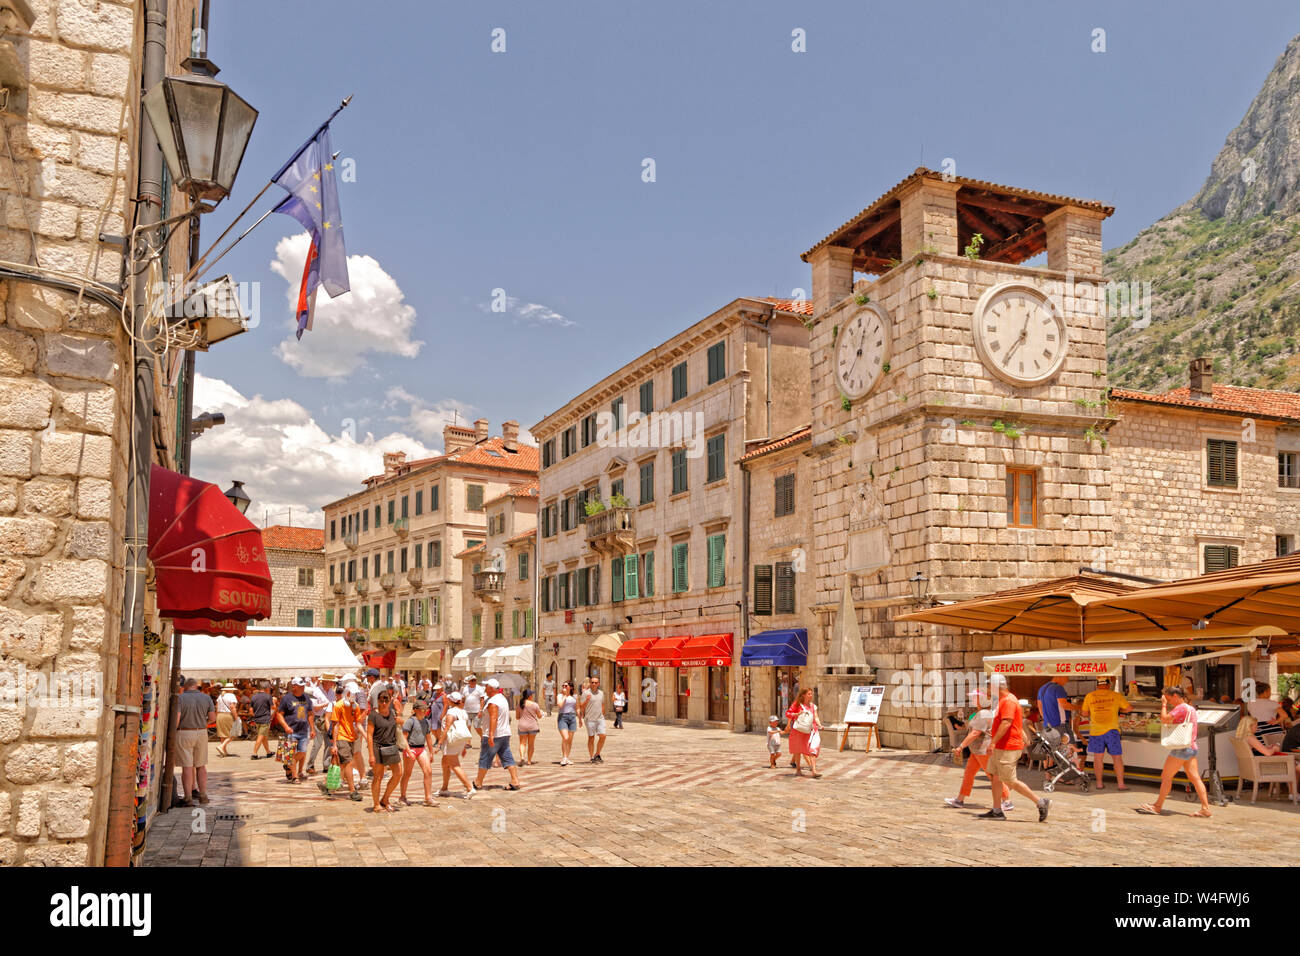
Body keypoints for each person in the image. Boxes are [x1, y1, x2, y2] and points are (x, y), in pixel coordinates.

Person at [981, 677, 1051, 822]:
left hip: (1007, 746)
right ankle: (996, 810)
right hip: (1002, 746)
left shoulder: (1008, 701)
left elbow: (1007, 723)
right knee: (995, 777)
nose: (987, 690)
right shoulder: (1004, 700)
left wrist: (992, 742)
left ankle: (1040, 802)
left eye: (988, 687)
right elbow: (1013, 723)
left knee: (1010, 780)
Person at [1137, 686, 1212, 817]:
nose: (1168, 700)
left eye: (1169, 698)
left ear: (1176, 696)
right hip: (1191, 746)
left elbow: (1165, 719)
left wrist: (1164, 705)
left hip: (1181, 749)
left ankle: (1157, 806)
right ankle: (1205, 808)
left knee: (1166, 776)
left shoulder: (1181, 708)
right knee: (1195, 778)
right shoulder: (1191, 708)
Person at [944, 690, 1012, 811]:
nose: (973, 700)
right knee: (969, 774)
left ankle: (1007, 801)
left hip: (983, 750)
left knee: (992, 776)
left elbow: (975, 733)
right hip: (976, 751)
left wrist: (961, 746)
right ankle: (960, 799)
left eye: (975, 698)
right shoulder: (980, 713)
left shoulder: (984, 714)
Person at [1081, 676, 1132, 790]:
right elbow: (1129, 708)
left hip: (1095, 731)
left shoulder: (1090, 696)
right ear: (1108, 685)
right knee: (1117, 758)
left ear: (1098, 685)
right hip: (1112, 731)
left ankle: (1099, 783)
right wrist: (1118, 711)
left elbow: (1084, 714)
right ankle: (1121, 784)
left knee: (1098, 758)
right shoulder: (1116, 695)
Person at [474, 678, 523, 791]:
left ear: (491, 688)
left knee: (485, 758)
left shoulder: (493, 702)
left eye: (486, 687)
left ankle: (478, 782)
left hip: (495, 735)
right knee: (507, 756)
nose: (485, 689)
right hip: (504, 733)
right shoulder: (502, 698)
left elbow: (494, 718)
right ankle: (515, 780)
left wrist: (490, 735)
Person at [319, 685, 365, 802]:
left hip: (351, 739)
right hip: (341, 737)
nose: (353, 696)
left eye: (355, 695)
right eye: (351, 694)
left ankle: (326, 785)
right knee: (348, 763)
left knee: (342, 764)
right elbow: (335, 725)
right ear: (347, 693)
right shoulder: (339, 706)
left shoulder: (356, 706)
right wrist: (334, 744)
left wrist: (366, 737)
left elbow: (358, 723)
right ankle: (352, 791)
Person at [175, 677, 214, 806]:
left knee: (187, 766)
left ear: (185, 687)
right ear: (196, 686)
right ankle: (203, 795)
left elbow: (177, 719)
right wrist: (203, 724)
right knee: (201, 765)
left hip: (184, 731)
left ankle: (188, 798)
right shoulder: (206, 698)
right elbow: (213, 718)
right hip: (202, 732)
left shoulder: (180, 698)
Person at [367, 690, 408, 812]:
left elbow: (400, 723)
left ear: (390, 700)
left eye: (386, 700)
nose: (383, 702)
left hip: (391, 747)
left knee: (398, 773)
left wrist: (401, 720)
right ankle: (376, 804)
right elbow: (369, 735)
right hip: (377, 748)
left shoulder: (392, 713)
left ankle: (385, 799)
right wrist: (371, 755)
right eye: (381, 700)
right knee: (378, 777)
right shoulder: (373, 715)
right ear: (378, 700)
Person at [273, 677, 315, 783]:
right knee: (291, 753)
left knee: (302, 752)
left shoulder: (306, 698)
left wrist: (312, 728)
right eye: (300, 686)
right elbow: (279, 714)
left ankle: (289, 766)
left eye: (303, 685)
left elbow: (310, 714)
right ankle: (295, 776)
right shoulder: (287, 699)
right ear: (294, 686)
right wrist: (286, 727)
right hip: (292, 731)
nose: (303, 687)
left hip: (304, 731)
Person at [399, 698, 436, 806]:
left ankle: (428, 797)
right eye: (422, 710)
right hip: (410, 748)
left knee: (428, 771)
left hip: (421, 748)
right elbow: (404, 737)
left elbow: (428, 737)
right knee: (407, 773)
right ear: (415, 710)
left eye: (425, 710)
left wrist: (431, 752)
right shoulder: (410, 721)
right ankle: (402, 796)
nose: (424, 712)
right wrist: (408, 751)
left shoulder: (426, 722)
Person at [438, 692, 475, 798]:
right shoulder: (463, 712)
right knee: (445, 762)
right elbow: (464, 729)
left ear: (451, 701)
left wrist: (440, 742)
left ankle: (469, 787)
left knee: (454, 765)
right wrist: (464, 746)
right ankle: (444, 788)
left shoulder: (451, 712)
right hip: (459, 740)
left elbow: (447, 727)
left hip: (451, 741)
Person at [787, 688, 822, 778]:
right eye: (809, 694)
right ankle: (798, 770)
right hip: (799, 730)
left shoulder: (813, 706)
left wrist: (819, 724)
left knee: (813, 749)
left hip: (812, 730)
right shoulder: (797, 705)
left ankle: (814, 771)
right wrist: (796, 714)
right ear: (803, 695)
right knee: (798, 750)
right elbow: (788, 713)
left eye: (811, 694)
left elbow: (816, 717)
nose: (811, 695)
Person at [305, 674, 337, 774]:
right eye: (331, 682)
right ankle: (310, 765)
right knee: (317, 744)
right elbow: (314, 708)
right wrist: (327, 704)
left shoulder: (331, 692)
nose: (333, 684)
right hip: (318, 719)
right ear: (325, 682)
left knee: (329, 743)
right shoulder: (316, 691)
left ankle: (326, 765)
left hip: (329, 718)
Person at [582, 675, 607, 763]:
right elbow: (581, 706)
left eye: (596, 683)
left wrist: (603, 715)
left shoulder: (601, 693)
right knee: (591, 738)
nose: (594, 684)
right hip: (589, 719)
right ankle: (592, 756)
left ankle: (597, 754)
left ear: (598, 684)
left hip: (600, 718)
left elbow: (602, 704)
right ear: (590, 683)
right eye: (592, 682)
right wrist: (586, 701)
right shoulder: (586, 693)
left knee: (603, 735)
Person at [516, 689, 543, 766]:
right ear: (530, 696)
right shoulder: (535, 705)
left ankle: (522, 757)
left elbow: (517, 717)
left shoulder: (519, 705)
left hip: (522, 726)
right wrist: (541, 714)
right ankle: (529, 761)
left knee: (522, 743)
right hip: (532, 726)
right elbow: (539, 716)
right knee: (531, 744)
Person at [248, 681, 274, 759]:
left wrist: (255, 715)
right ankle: (254, 753)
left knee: (264, 736)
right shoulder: (268, 696)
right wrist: (272, 715)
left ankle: (268, 752)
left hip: (257, 720)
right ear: (267, 688)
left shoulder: (253, 696)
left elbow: (250, 710)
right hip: (265, 719)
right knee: (261, 736)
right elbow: (272, 707)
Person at [556, 680, 578, 765]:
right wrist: (565, 696)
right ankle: (564, 757)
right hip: (563, 717)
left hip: (572, 717)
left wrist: (579, 718)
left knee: (570, 740)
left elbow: (577, 707)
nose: (564, 687)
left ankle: (567, 757)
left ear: (571, 687)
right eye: (563, 686)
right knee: (565, 737)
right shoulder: (560, 695)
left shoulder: (574, 696)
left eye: (566, 686)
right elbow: (560, 705)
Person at [215, 683, 239, 757]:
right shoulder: (232, 696)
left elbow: (216, 706)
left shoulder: (221, 696)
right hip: (228, 715)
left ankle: (224, 751)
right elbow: (232, 707)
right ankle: (221, 746)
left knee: (223, 734)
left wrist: (217, 716)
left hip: (220, 715)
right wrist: (236, 717)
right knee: (233, 733)